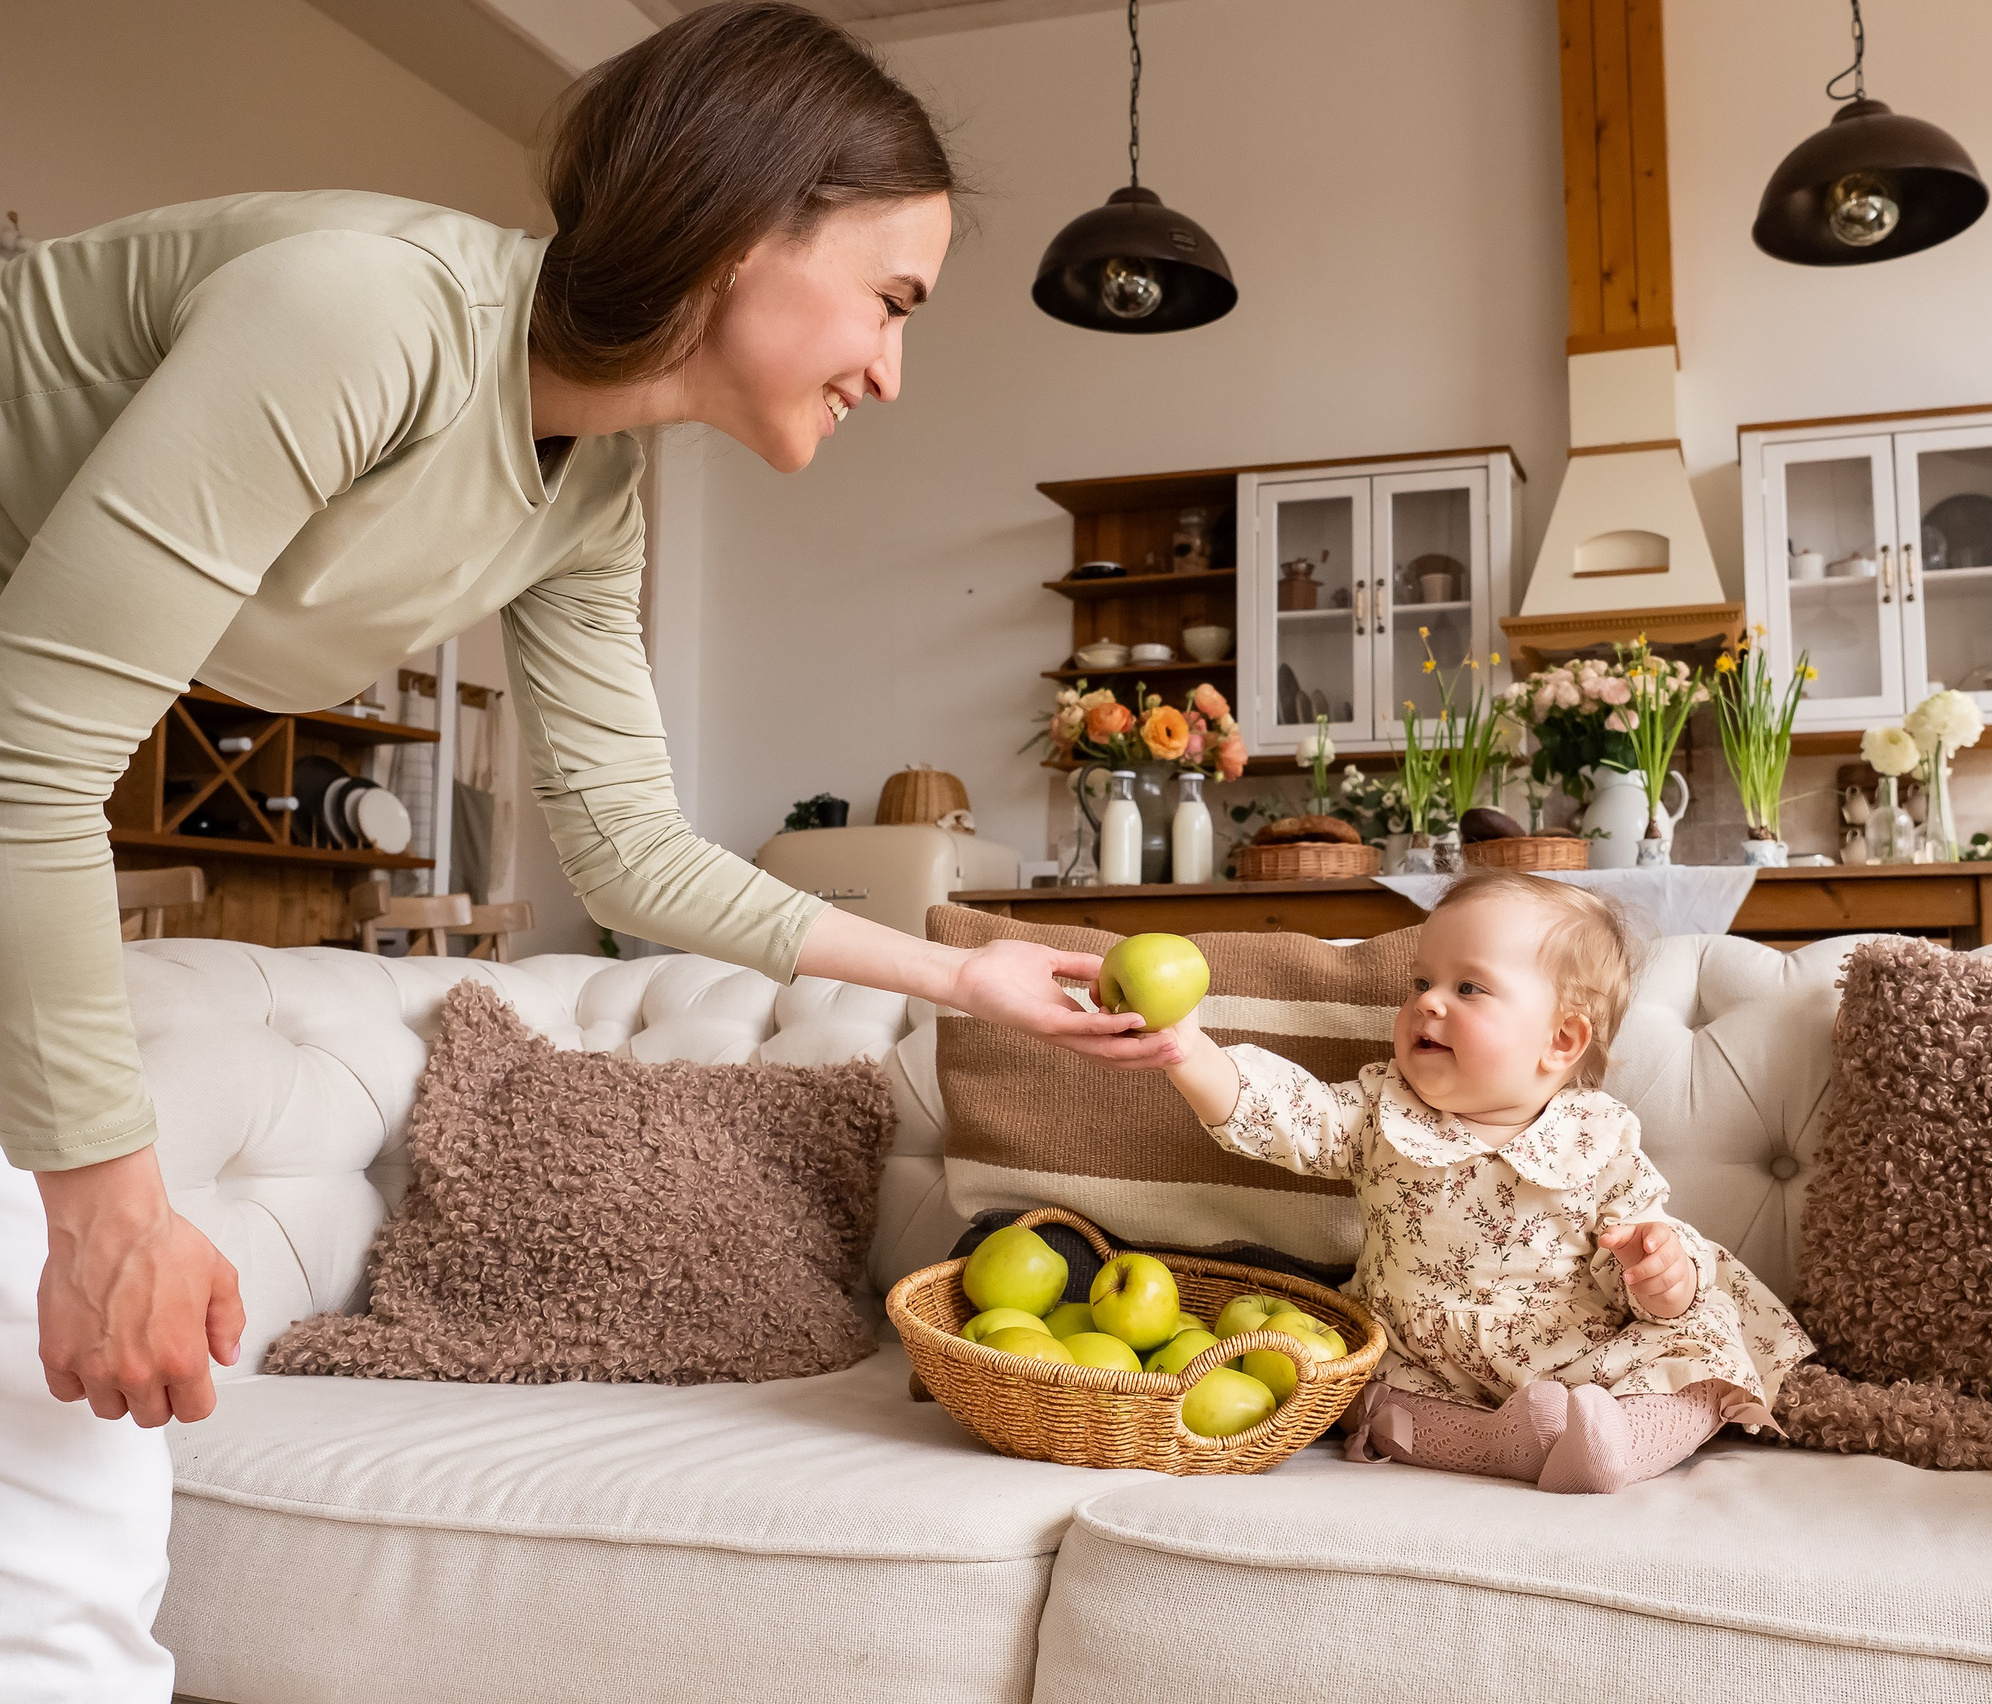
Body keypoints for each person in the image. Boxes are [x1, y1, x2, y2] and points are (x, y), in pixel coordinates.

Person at [0, 7, 1171, 1698]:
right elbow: (32, 753)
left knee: (58, 1441)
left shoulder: (590, 478)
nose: (892, 372)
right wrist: (111, 1206)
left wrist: (956, 969)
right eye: (892, 301)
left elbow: (626, 848)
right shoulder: (365, 312)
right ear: (747, 221)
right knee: (62, 1377)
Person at [1149, 870, 1813, 1492]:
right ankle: (1500, 1446)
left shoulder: (1598, 1136)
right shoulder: (1381, 1110)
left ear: (1561, 1039)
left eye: (1468, 988)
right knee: (1365, 1396)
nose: (1428, 1003)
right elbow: (1285, 1113)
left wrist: (1661, 1277)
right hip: (1426, 1359)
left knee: (1701, 1348)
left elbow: (1641, 1246)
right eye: (1420, 983)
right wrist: (1189, 1050)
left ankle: (1620, 1444)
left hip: (1580, 1357)